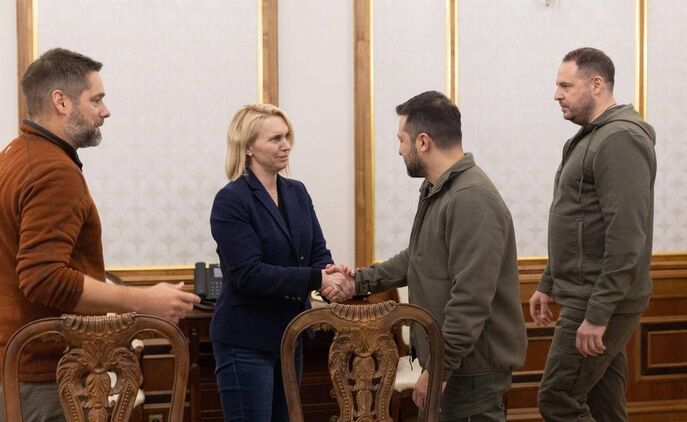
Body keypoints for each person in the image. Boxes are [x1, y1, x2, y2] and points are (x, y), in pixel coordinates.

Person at [0, 48, 200, 422]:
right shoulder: (54, 171)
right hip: (42, 377)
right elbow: (43, 278)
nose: (105, 111)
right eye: (96, 99)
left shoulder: (14, 155)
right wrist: (143, 301)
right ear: (61, 102)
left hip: (21, 368)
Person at [327, 91, 528, 421]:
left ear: (423, 142)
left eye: (401, 140)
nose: (399, 149)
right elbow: (417, 257)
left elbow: (471, 299)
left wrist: (438, 370)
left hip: (469, 373)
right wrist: (358, 281)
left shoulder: (471, 198)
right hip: (453, 365)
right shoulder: (439, 190)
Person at [529, 47, 657, 421]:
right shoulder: (592, 137)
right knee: (604, 407)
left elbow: (627, 237)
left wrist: (599, 314)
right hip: (589, 293)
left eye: (566, 86)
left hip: (598, 299)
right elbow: (578, 222)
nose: (556, 95)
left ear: (597, 85)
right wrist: (549, 282)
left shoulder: (619, 139)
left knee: (558, 399)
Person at [209, 103, 354, 422]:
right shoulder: (231, 199)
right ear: (248, 146)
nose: (286, 145)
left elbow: (317, 252)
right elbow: (249, 274)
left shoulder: (297, 192)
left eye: (287, 136)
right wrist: (319, 278)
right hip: (245, 341)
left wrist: (332, 277)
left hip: (291, 336)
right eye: (275, 138)